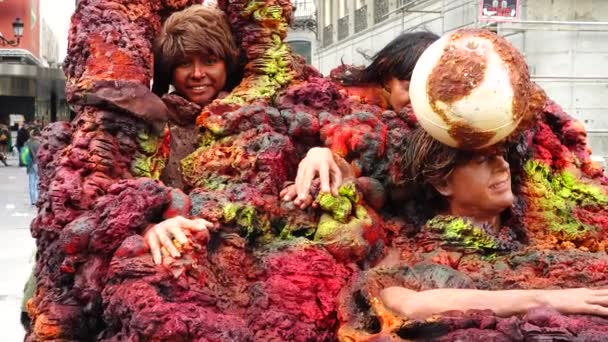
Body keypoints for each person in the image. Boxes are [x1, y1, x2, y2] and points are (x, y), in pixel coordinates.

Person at [379, 128, 608, 319]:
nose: (503, 166)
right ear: (443, 183)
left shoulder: (552, 221)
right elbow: (407, 304)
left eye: (501, 155)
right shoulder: (414, 249)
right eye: (482, 160)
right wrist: (543, 298)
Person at [281, 31, 440, 209]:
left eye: (431, 93)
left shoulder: (427, 121)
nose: (419, 99)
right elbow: (335, 138)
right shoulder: (345, 98)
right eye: (409, 88)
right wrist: (320, 157)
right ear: (387, 77)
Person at [144, 4, 241, 264]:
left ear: (227, 63)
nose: (197, 74)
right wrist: (149, 229)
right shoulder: (152, 124)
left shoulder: (252, 120)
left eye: (209, 61)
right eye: (185, 63)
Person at [24, 128, 41, 205]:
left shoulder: (28, 142)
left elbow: (25, 153)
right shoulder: (40, 143)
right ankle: (38, 199)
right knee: (38, 181)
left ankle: (33, 200)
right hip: (38, 164)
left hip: (30, 164)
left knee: (31, 183)